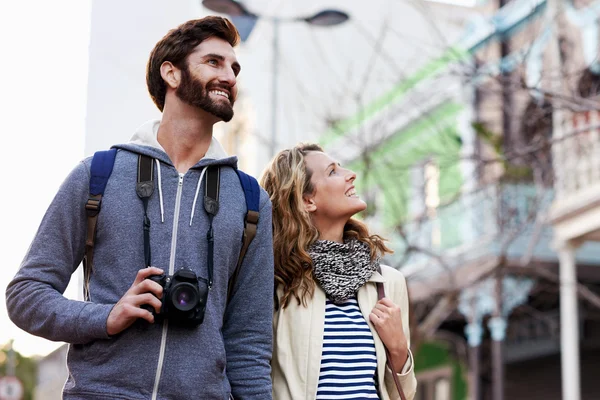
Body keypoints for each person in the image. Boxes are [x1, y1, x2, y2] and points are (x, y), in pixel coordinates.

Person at [6, 17, 274, 399]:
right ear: (171, 73)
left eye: (234, 68)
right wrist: (106, 316)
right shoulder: (98, 175)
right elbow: (26, 294)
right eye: (214, 62)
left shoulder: (250, 200)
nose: (230, 76)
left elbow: (249, 343)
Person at [260, 143, 417, 400]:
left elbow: (404, 395)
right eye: (333, 172)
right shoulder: (278, 280)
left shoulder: (387, 283)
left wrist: (399, 349)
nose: (350, 174)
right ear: (307, 200)